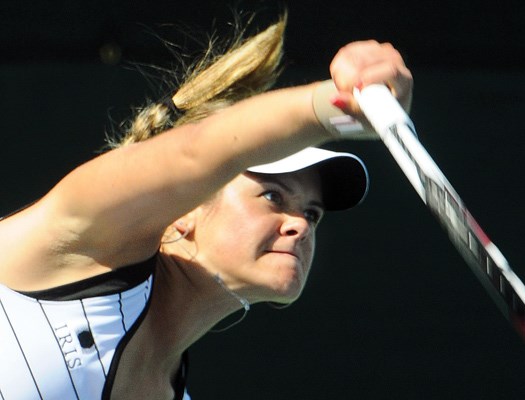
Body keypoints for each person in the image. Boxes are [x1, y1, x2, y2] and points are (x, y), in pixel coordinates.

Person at [0, 15, 413, 400]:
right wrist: (336, 105)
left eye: (312, 213)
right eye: (273, 196)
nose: (300, 227)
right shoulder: (78, 244)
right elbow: (195, 153)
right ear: (185, 208)